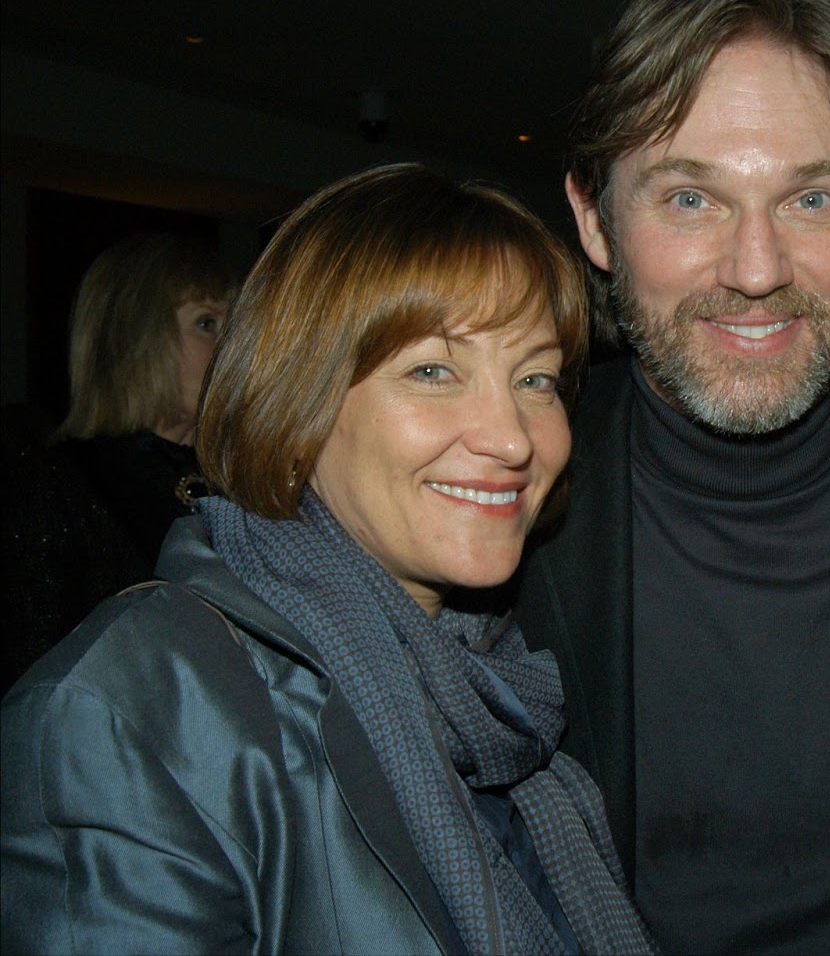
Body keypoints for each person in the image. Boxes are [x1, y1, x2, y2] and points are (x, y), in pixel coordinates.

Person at [2, 165, 655, 955]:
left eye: (536, 378)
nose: (513, 438)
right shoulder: (129, 715)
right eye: (433, 371)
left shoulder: (495, 685)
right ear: (299, 398)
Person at [517, 0, 830, 954]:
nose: (757, 270)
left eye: (813, 200)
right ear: (595, 220)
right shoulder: (497, 503)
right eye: (691, 199)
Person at [3, 233, 236, 689]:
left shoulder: (241, 482)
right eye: (207, 324)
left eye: (235, 326)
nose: (233, 346)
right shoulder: (53, 485)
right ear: (137, 339)